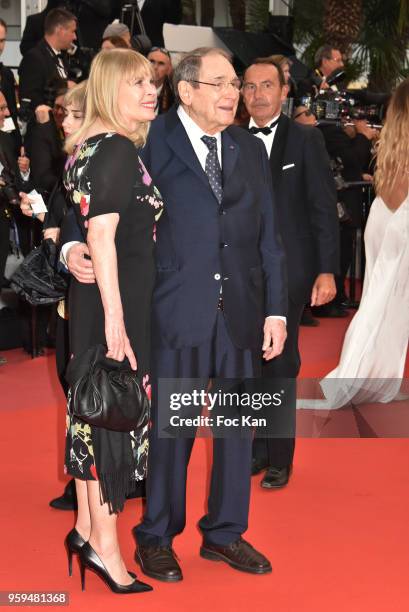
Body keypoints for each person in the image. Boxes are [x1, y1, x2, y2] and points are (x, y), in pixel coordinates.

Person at [65, 46, 287, 580]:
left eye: (236, 83)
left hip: (241, 308)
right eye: (221, 84)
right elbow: (88, 194)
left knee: (239, 427)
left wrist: (276, 311)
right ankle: (157, 534)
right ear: (186, 91)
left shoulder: (247, 147)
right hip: (170, 308)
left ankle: (227, 533)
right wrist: (71, 246)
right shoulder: (146, 137)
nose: (235, 94)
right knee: (173, 430)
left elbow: (268, 236)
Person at [62, 48, 161, 594]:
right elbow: (101, 237)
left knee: (93, 414)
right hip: (114, 309)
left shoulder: (88, 147)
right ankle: (107, 549)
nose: (150, 92)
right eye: (136, 84)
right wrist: (118, 322)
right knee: (113, 424)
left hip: (99, 306)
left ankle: (84, 528)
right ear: (108, 91)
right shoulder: (118, 149)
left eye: (151, 82)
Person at [241, 57, 339, 488]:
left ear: (284, 92)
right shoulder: (225, 140)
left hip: (291, 271)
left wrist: (326, 271)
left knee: (279, 360)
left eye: (267, 86)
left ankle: (280, 454)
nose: (257, 94)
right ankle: (255, 449)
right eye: (249, 86)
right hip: (238, 272)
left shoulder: (306, 140)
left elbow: (322, 208)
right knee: (244, 364)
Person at [298, 78, 409, 410]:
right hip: (400, 220)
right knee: (384, 305)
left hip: (385, 217)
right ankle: (359, 376)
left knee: (383, 301)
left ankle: (376, 379)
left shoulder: (393, 139)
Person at [18, 8, 77, 112]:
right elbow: (29, 99)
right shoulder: (33, 58)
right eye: (72, 31)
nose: (75, 37)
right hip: (43, 125)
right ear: (60, 30)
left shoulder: (63, 57)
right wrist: (64, 86)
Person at [147, 46, 174, 114]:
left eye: (161, 63)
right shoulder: (133, 89)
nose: (155, 67)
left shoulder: (174, 96)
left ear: (169, 69)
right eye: (151, 61)